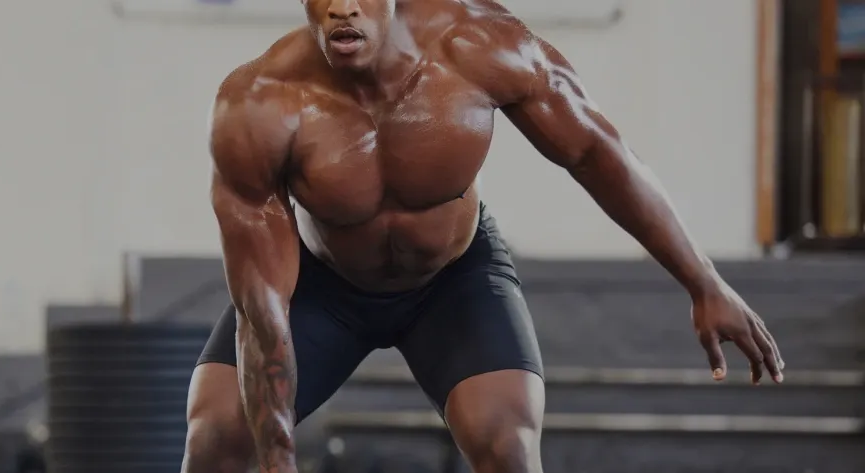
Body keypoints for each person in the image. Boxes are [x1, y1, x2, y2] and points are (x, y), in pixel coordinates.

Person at [185, 1, 786, 473]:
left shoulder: (479, 45)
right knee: (215, 435)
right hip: (320, 287)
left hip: (451, 281)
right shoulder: (258, 106)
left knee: (507, 444)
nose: (344, 6)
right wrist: (278, 462)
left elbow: (600, 155)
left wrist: (703, 282)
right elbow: (263, 305)